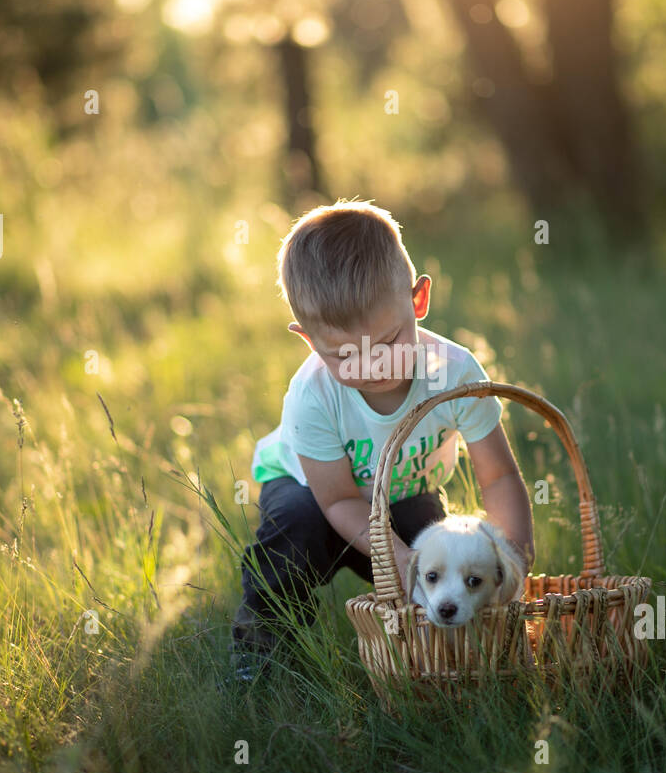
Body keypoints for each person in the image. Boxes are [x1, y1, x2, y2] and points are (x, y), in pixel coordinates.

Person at [229, 199, 535, 681]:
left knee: (443, 566)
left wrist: (513, 558)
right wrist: (401, 557)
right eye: (346, 356)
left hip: (404, 496)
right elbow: (337, 501)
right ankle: (261, 647)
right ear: (308, 340)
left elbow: (498, 475)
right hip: (317, 494)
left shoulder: (454, 373)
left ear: (417, 302)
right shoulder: (312, 395)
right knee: (296, 529)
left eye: (389, 342)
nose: (373, 367)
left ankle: (428, 658)